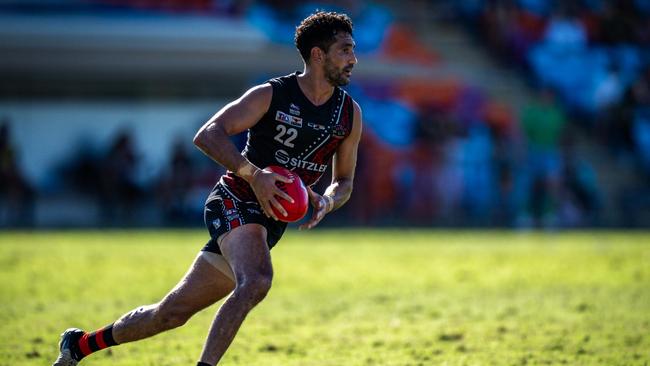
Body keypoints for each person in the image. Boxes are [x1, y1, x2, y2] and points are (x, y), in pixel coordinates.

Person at [52, 10, 362, 366]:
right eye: (345, 50)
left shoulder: (349, 115)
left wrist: (327, 200)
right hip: (235, 199)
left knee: (169, 314)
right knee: (257, 280)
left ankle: (78, 346)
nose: (353, 59)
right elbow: (207, 135)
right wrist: (254, 175)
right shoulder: (271, 95)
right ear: (318, 55)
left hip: (268, 222)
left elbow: (345, 181)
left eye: (352, 50)